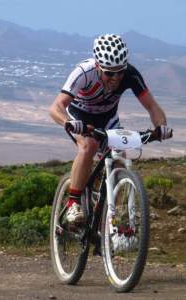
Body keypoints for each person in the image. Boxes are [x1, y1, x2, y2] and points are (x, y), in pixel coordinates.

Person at [49, 33, 172, 223]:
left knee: (120, 157)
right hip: (80, 117)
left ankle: (108, 212)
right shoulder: (83, 72)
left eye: (120, 72)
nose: (115, 78)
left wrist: (160, 127)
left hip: (107, 119)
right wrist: (68, 122)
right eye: (109, 73)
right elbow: (56, 107)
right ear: (98, 66)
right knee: (88, 146)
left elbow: (153, 107)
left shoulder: (130, 74)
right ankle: (73, 203)